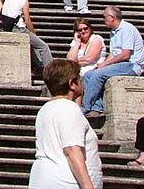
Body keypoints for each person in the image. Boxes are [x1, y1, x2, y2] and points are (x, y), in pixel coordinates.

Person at [28, 59, 101, 189]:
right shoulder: (69, 108)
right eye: (79, 78)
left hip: (44, 177)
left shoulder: (45, 109)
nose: (82, 82)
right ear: (72, 84)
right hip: (66, 181)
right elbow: (72, 150)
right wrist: (88, 186)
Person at [81, 6, 144, 117]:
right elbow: (113, 53)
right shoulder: (113, 32)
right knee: (88, 75)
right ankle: (96, 107)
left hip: (132, 64)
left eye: (105, 17)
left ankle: (85, 107)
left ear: (112, 17)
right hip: (120, 63)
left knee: (98, 75)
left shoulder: (127, 29)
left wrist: (105, 64)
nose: (104, 20)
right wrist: (102, 64)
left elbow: (126, 54)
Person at [0, 0, 53, 69]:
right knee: (43, 47)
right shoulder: (24, 0)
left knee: (32, 46)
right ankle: (52, 72)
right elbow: (27, 21)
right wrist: (34, 33)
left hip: (7, 27)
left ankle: (38, 66)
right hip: (19, 29)